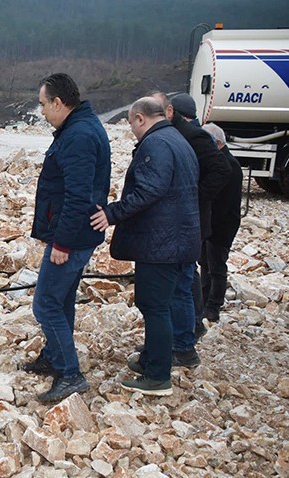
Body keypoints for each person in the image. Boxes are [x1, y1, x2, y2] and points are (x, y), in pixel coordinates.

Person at [90, 97, 201, 396]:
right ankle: (152, 358)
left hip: (162, 242)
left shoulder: (157, 144)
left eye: (131, 124)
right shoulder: (177, 139)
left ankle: (157, 376)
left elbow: (149, 190)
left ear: (140, 118)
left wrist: (111, 214)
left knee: (155, 306)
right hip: (180, 238)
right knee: (158, 303)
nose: (132, 131)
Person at [22, 73, 111, 403]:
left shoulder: (79, 136)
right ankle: (55, 357)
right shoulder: (79, 128)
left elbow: (78, 195)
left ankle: (70, 374)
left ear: (59, 103)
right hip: (77, 233)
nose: (42, 111)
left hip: (72, 237)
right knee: (61, 299)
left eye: (44, 104)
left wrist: (61, 242)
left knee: (45, 303)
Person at [150, 91, 231, 366]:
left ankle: (185, 341)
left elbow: (223, 168)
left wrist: (194, 196)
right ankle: (179, 336)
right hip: (182, 221)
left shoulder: (194, 136)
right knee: (183, 279)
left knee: (183, 283)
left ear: (170, 112)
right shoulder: (178, 135)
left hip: (190, 220)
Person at [199, 122, 243, 327]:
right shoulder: (220, 160)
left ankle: (213, 306)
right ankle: (204, 300)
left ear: (216, 143)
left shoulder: (229, 165)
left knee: (216, 266)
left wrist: (210, 224)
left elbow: (225, 202)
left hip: (222, 224)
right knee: (206, 263)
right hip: (213, 221)